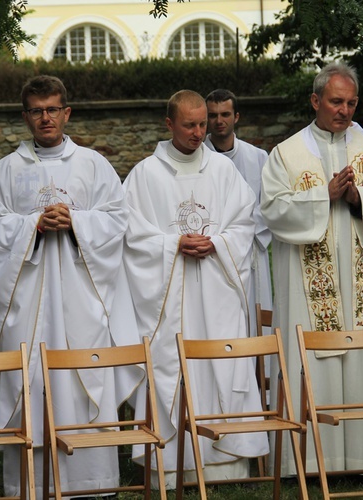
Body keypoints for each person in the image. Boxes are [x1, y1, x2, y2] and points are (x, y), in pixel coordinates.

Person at [0, 75, 142, 498]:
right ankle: (27, 481)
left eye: (52, 109)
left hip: (83, 294)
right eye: (35, 110)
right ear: (25, 116)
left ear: (66, 113)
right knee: (31, 376)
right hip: (27, 299)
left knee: (83, 372)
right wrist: (33, 224)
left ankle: (93, 481)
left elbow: (119, 219)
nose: (45, 118)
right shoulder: (8, 169)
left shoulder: (94, 164)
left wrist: (77, 222)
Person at [260, 61, 363, 476]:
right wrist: (322, 196)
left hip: (362, 286)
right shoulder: (287, 154)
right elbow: (271, 210)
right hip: (308, 292)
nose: (344, 110)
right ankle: (307, 464)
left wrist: (360, 198)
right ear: (315, 100)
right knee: (313, 361)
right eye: (335, 101)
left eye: (351, 102)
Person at [123, 89, 269, 486]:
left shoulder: (223, 171)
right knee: (172, 367)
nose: (199, 132)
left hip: (216, 293)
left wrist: (217, 242)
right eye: (190, 125)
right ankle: (171, 468)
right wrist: (173, 244)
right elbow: (131, 236)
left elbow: (244, 223)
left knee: (220, 365)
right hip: (168, 297)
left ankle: (227, 461)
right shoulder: (144, 176)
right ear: (169, 124)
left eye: (203, 123)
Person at [204, 89, 273, 336]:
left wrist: (243, 230)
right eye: (213, 115)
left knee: (256, 317)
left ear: (237, 117)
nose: (219, 121)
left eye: (225, 114)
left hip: (253, 248)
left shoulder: (258, 157)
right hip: (215, 250)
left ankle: (260, 371)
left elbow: (269, 204)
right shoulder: (198, 158)